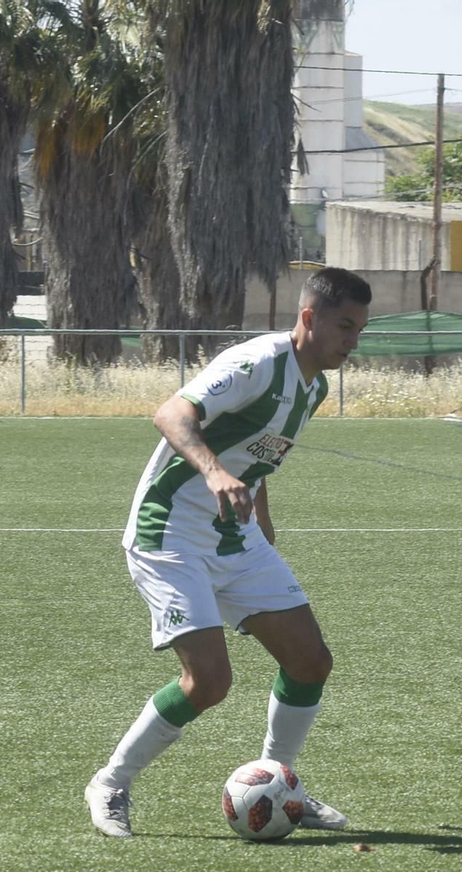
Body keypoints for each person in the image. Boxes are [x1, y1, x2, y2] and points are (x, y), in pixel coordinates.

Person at [85, 267, 372, 837]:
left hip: (232, 536)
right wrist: (214, 474)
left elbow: (254, 461)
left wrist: (263, 527)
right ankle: (110, 784)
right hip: (168, 534)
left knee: (310, 660)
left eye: (360, 331)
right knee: (209, 682)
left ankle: (280, 779)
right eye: (344, 327)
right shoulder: (257, 364)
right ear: (308, 318)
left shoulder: (314, 386)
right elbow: (171, 413)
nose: (352, 342)